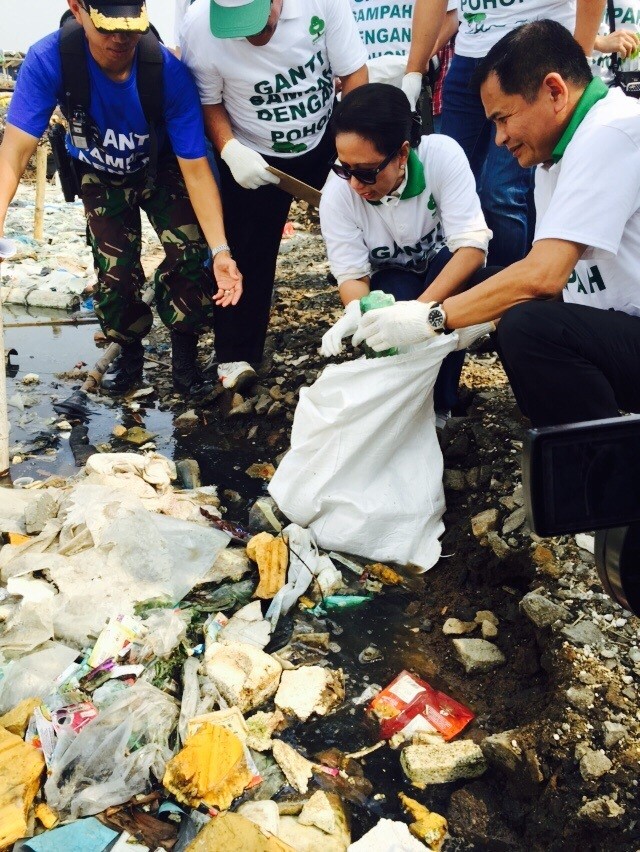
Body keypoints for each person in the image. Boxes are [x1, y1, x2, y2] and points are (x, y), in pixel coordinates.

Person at [351, 20, 640, 429]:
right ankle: (565, 438)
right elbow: (560, 284)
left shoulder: (611, 131)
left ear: (554, 91)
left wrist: (433, 318)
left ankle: (600, 463)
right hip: (615, 324)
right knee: (489, 291)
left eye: (504, 118)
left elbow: (544, 277)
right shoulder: (551, 161)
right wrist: (477, 319)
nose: (500, 138)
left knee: (529, 327)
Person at [0, 0, 241, 396]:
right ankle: (129, 356)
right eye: (107, 28)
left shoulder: (167, 73)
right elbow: (13, 154)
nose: (120, 39)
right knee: (116, 276)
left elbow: (196, 170)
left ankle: (184, 359)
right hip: (99, 173)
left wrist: (221, 251)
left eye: (130, 29)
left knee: (191, 256)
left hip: (160, 166)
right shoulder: (49, 60)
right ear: (77, 10)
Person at [180, 0, 368, 391]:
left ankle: (380, 324)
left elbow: (353, 74)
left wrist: (353, 148)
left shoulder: (323, 3)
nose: (250, 35)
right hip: (252, 149)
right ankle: (236, 355)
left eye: (256, 21)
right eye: (236, 25)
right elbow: (209, 101)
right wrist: (229, 148)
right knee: (245, 250)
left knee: (369, 216)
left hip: (324, 135)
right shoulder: (199, 27)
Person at [318, 83, 495, 422]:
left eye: (367, 172)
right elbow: (353, 274)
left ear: (401, 154)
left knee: (444, 302)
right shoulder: (337, 195)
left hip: (444, 264)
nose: (355, 184)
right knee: (387, 316)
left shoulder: (441, 156)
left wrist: (419, 314)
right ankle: (404, 406)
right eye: (345, 168)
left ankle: (442, 405)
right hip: (391, 274)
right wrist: (358, 310)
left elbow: (471, 247)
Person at [403, 0, 605, 267]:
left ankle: (506, 284)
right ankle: (462, 277)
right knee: (445, 184)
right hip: (470, 53)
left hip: (533, 51)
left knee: (501, 194)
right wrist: (413, 71)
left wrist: (582, 57)